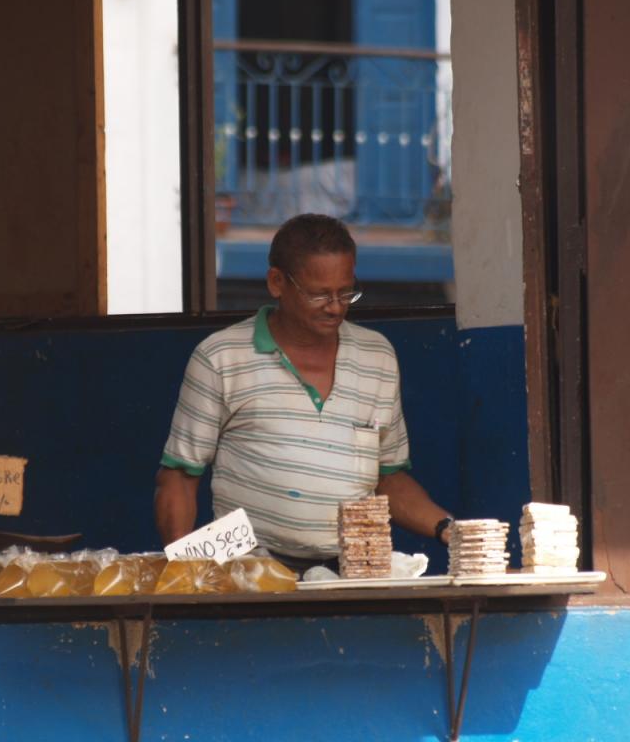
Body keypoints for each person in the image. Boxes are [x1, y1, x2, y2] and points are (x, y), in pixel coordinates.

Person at [154, 213, 454, 571]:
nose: (335, 306)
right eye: (319, 294)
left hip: (349, 571)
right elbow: (179, 478)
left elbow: (387, 478)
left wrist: (449, 529)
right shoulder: (220, 357)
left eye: (346, 292)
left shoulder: (378, 356)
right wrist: (184, 573)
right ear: (277, 282)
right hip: (249, 571)